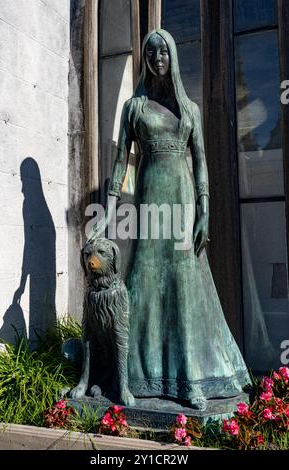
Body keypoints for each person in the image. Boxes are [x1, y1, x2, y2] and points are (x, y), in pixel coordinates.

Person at [101, 29, 251, 410]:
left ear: (173, 57)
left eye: (163, 52)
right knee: (141, 281)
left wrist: (205, 212)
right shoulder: (134, 108)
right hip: (150, 204)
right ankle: (133, 375)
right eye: (150, 53)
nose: (157, 58)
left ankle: (191, 378)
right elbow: (121, 164)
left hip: (183, 204)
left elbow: (200, 162)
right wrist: (107, 212)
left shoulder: (190, 110)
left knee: (185, 286)